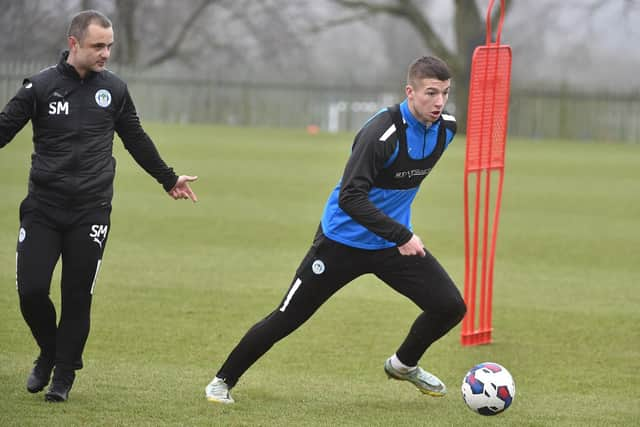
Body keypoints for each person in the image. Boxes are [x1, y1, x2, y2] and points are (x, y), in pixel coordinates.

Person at [205, 56, 466, 404]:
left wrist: (397, 235)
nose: (439, 102)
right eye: (430, 93)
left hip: (389, 244)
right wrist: (402, 235)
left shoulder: (447, 129)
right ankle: (222, 381)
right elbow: (350, 197)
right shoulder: (380, 134)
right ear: (410, 92)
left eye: (445, 93)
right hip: (341, 241)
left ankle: (403, 365)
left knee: (450, 306)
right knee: (288, 316)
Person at [0, 10, 198, 402]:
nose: (106, 53)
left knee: (77, 294)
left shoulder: (115, 91)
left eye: (109, 45)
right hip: (43, 206)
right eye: (98, 46)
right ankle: (49, 350)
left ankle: (63, 376)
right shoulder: (39, 87)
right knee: (32, 290)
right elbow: (4, 129)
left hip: (91, 210)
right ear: (74, 43)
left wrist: (168, 178)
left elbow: (136, 139)